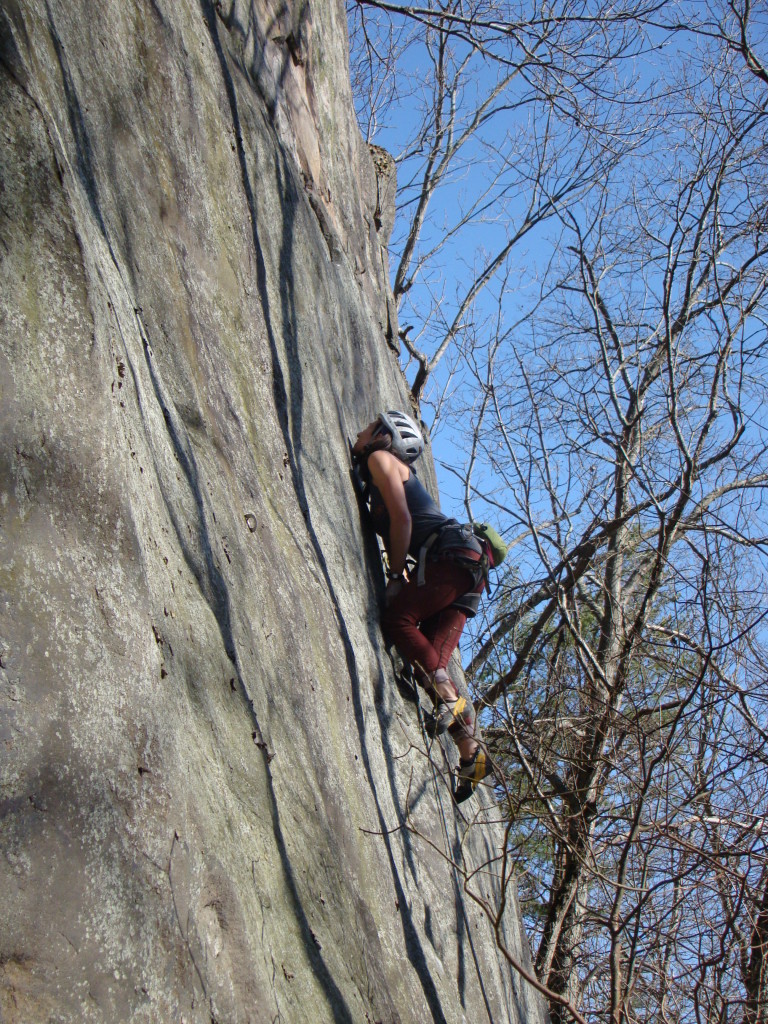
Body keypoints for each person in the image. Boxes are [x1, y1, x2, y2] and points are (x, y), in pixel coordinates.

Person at [352, 409, 494, 799]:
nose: (360, 429)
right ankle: (471, 753)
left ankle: (454, 710)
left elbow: (402, 520)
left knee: (399, 620)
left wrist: (396, 577)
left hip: (453, 558)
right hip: (469, 569)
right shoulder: (379, 468)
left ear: (383, 436)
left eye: (368, 425)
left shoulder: (380, 460)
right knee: (429, 663)